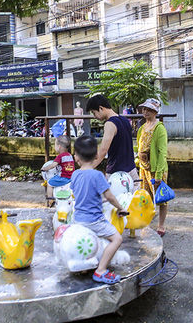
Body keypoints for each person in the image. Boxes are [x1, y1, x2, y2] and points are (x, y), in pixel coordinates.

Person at [71, 135, 128, 284]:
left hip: (78, 219)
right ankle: (101, 270)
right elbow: (110, 197)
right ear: (97, 155)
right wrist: (120, 207)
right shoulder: (97, 175)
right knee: (117, 239)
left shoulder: (75, 174)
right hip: (93, 220)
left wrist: (98, 200)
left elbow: (82, 195)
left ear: (76, 157)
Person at [136, 98, 169, 237]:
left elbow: (162, 152)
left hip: (156, 168)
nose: (145, 111)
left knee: (161, 198)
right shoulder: (142, 127)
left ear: (155, 111)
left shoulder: (159, 127)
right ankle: (146, 222)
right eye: (144, 109)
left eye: (149, 109)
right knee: (145, 197)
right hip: (144, 167)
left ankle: (161, 225)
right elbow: (139, 146)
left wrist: (159, 174)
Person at [85, 95, 138, 179]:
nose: (94, 116)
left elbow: (103, 150)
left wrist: (89, 168)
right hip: (132, 170)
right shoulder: (125, 120)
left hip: (117, 173)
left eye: (94, 113)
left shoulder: (110, 124)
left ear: (101, 108)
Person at [41, 135, 74, 203]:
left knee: (49, 184)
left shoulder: (60, 156)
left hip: (63, 178)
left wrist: (44, 168)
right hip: (71, 177)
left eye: (55, 145)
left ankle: (50, 200)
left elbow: (53, 165)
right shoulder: (70, 155)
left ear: (59, 147)